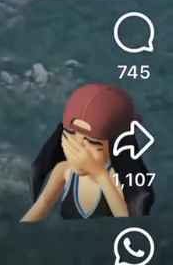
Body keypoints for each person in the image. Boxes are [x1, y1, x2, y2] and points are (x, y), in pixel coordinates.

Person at [21, 83, 155, 222]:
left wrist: (100, 174)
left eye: (93, 143)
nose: (79, 152)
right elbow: (43, 204)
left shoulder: (114, 178)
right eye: (69, 138)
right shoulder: (63, 170)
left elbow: (126, 224)